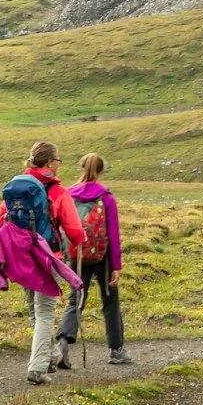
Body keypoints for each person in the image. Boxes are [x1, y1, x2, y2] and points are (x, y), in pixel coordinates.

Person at [0, 141, 87, 383]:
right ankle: (37, 368)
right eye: (58, 160)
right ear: (49, 163)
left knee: (34, 311)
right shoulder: (58, 192)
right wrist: (80, 240)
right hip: (48, 257)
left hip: (20, 258)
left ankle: (50, 355)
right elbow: (73, 230)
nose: (59, 164)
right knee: (45, 312)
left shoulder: (15, 189)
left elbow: (0, 225)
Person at [59, 153, 129, 366]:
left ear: (81, 168)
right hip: (103, 256)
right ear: (101, 171)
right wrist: (116, 266)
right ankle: (116, 350)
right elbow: (114, 235)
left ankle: (62, 343)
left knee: (75, 299)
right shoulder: (107, 198)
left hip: (76, 254)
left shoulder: (68, 194)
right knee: (110, 300)